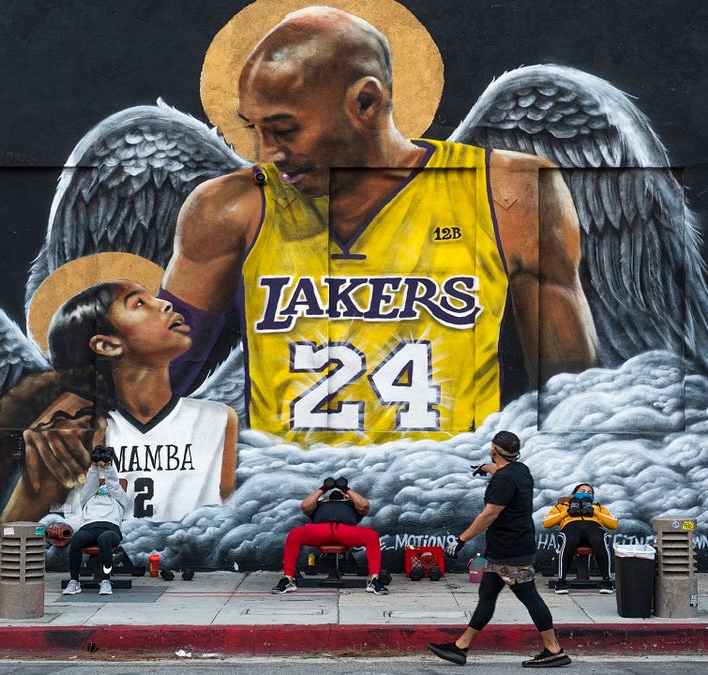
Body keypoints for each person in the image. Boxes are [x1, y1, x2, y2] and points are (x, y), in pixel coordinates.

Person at [155, 5, 598, 445]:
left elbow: (572, 405)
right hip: (286, 498)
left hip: (444, 495)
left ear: (365, 101)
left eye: (284, 130)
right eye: (254, 128)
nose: (266, 152)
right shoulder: (229, 208)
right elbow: (150, 383)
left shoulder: (509, 193)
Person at [0, 280, 238, 530]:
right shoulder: (74, 434)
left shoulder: (219, 419)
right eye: (139, 303)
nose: (166, 303)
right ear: (107, 345)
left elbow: (227, 522)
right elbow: (9, 533)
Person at [430, 431, 572, 668]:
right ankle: (461, 647)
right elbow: (503, 472)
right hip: (504, 549)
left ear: (494, 449)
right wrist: (486, 468)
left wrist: (461, 540)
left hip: (510, 552)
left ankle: (554, 650)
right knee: (487, 594)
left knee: (529, 596)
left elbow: (489, 514)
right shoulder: (521, 470)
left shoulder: (503, 480)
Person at [271, 476, 388, 595]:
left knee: (371, 535)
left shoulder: (352, 504)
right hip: (321, 530)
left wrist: (346, 489)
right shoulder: (319, 504)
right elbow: (305, 506)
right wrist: (323, 489)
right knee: (295, 533)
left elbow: (364, 505)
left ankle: (374, 580)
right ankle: (288, 579)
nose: (335, 494)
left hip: (345, 531)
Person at [62, 444, 131, 595]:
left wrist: (106, 466)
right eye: (101, 485)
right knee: (78, 538)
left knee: (105, 539)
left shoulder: (119, 499)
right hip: (89, 528)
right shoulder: (88, 498)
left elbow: (113, 483)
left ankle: (105, 581)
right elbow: (90, 483)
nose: (103, 486)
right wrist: (94, 465)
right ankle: (74, 581)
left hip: (110, 529)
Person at [542, 483, 617, 594]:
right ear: (574, 494)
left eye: (589, 492)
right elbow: (546, 523)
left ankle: (607, 581)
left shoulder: (598, 507)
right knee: (570, 539)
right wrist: (567, 511)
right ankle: (561, 581)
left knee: (599, 538)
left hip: (593, 527)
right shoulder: (562, 506)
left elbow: (613, 524)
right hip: (571, 527)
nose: (586, 493)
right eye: (582, 491)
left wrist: (593, 510)